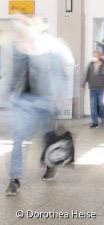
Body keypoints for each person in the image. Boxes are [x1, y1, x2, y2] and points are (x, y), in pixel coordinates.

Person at [4, 15, 74, 196]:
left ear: (45, 26)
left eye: (36, 24)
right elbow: (17, 70)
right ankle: (15, 179)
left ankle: (51, 165)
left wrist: (63, 93)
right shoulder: (20, 45)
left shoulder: (52, 47)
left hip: (45, 100)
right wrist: (12, 91)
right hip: (23, 100)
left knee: (46, 136)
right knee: (18, 137)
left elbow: (61, 71)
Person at [82, 50, 104, 128]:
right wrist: (83, 85)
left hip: (101, 88)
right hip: (92, 88)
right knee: (93, 105)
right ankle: (95, 122)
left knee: (102, 104)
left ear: (99, 56)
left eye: (95, 55)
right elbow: (86, 75)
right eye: (93, 55)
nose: (94, 57)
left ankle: (102, 117)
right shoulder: (90, 65)